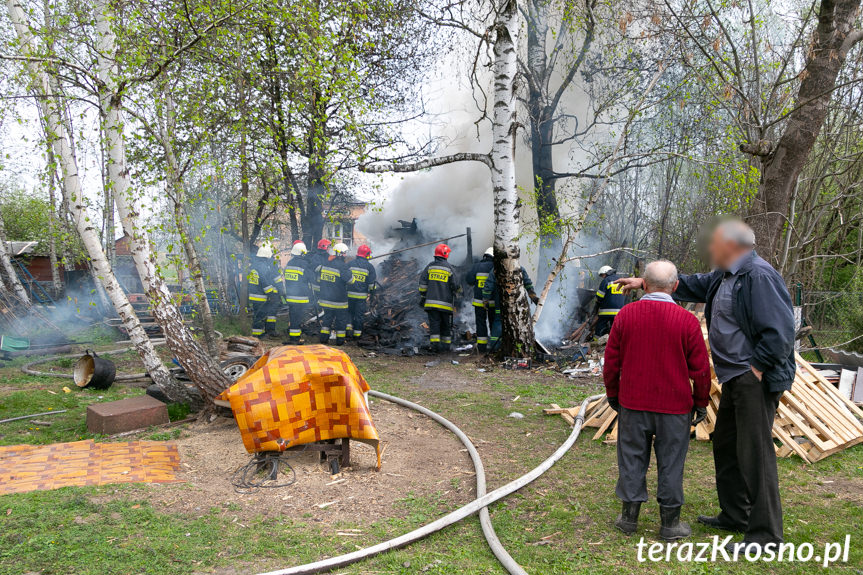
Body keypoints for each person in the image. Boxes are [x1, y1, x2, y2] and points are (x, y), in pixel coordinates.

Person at [615, 219, 795, 552]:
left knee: (755, 454)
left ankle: (766, 536)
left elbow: (781, 332)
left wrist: (757, 368)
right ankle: (735, 514)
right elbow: (688, 284)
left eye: (714, 245)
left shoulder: (758, 276)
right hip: (734, 378)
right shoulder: (725, 276)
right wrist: (645, 282)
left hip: (752, 377)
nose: (710, 250)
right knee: (726, 446)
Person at [603, 260, 711, 540]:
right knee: (672, 462)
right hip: (674, 408)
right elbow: (700, 369)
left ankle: (629, 519)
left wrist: (613, 395)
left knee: (631, 458)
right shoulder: (687, 321)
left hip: (634, 403)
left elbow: (611, 362)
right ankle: (670, 524)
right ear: (676, 287)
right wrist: (701, 402)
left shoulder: (626, 316)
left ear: (644, 285)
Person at [481, 261, 539, 351]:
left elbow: (488, 286)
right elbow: (527, 282)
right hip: (517, 305)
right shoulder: (519, 268)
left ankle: (495, 348)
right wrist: (532, 295)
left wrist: (486, 299)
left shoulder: (496, 270)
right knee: (518, 324)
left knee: (498, 323)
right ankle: (519, 348)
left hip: (501, 303)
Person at [418, 244, 459, 352]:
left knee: (434, 326)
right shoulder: (450, 268)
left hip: (431, 304)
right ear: (445, 254)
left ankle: (435, 347)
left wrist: (423, 296)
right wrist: (458, 293)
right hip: (445, 304)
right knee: (446, 325)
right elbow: (456, 285)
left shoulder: (430, 267)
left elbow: (422, 284)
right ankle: (446, 348)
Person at [316, 242, 354, 345]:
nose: (346, 255)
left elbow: (319, 279)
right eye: (345, 253)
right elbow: (351, 281)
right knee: (341, 321)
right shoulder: (342, 266)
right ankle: (340, 341)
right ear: (340, 254)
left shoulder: (325, 263)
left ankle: (324, 339)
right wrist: (350, 272)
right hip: (339, 301)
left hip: (326, 298)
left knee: (327, 319)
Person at [281, 241, 314, 344]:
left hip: (290, 296)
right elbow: (311, 278)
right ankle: (295, 339)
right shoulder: (304, 264)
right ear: (302, 253)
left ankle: (294, 337)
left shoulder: (289, 263)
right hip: (301, 297)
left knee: (293, 317)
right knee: (298, 318)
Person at [248, 242, 281, 337]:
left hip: (255, 294)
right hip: (260, 295)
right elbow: (264, 281)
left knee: (258, 315)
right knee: (259, 315)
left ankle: (259, 334)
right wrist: (271, 293)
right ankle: (257, 336)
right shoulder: (262, 266)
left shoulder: (254, 265)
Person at [466, 247, 495, 352]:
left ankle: (482, 347)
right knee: (493, 323)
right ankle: (494, 345)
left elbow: (469, 280)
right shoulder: (496, 267)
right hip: (493, 302)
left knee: (481, 323)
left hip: (479, 302)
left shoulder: (477, 266)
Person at [347, 244, 377, 340]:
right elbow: (371, 284)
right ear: (367, 254)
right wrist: (372, 294)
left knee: (349, 313)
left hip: (349, 295)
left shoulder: (350, 264)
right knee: (359, 315)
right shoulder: (369, 267)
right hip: (361, 297)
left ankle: (348, 331)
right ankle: (357, 335)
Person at [595, 265, 625, 337]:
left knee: (600, 325)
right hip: (619, 310)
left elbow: (600, 296)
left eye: (602, 275)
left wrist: (598, 302)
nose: (603, 277)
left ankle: (596, 341)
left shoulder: (606, 280)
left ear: (607, 272)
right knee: (615, 328)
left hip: (606, 310)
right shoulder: (620, 280)